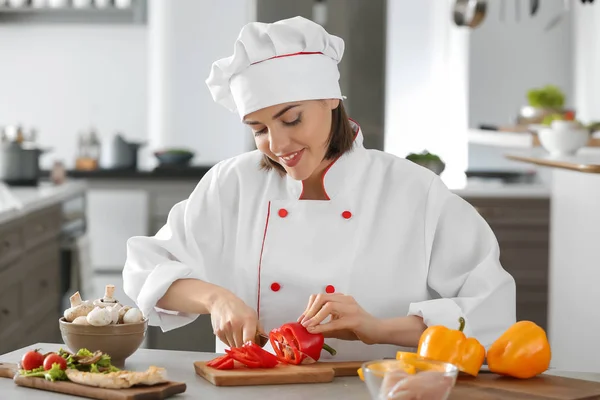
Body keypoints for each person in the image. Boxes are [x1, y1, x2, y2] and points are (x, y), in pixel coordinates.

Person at [123, 16, 516, 362]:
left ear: (332, 99)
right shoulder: (233, 183)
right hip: (250, 391)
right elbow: (145, 269)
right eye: (258, 129)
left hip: (374, 390)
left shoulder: (413, 190)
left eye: (291, 119)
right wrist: (216, 298)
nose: (277, 145)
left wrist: (376, 329)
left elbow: (489, 310)